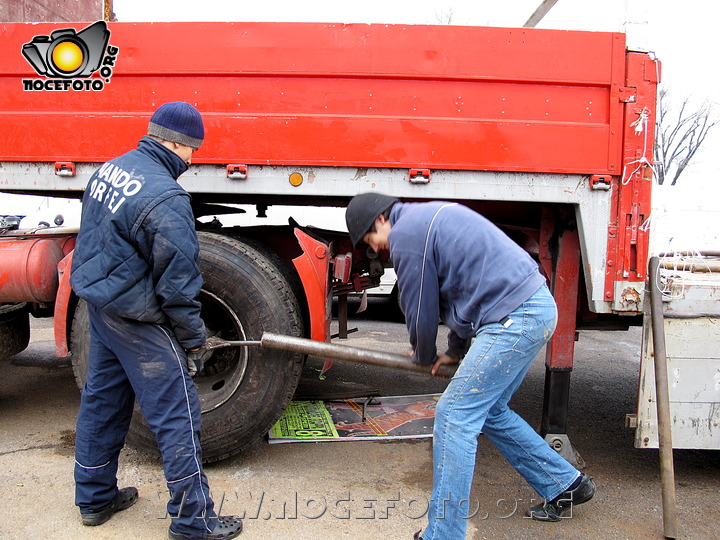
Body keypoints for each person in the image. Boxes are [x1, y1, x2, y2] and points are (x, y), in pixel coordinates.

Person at [345, 193, 595, 540]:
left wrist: (423, 355)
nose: (379, 250)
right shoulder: (430, 219)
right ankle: (565, 484)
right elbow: (458, 299)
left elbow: (420, 306)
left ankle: (444, 534)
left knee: (453, 415)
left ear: (380, 221)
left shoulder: (407, 234)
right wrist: (454, 351)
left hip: (514, 318)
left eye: (371, 241)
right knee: (488, 410)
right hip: (533, 309)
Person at [70, 102, 243, 540]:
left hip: (102, 309)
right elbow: (178, 283)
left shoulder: (111, 169)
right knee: (177, 413)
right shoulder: (167, 198)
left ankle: (93, 496)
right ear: (175, 144)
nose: (191, 161)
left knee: (102, 402)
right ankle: (193, 520)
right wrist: (193, 338)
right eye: (191, 152)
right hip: (139, 319)